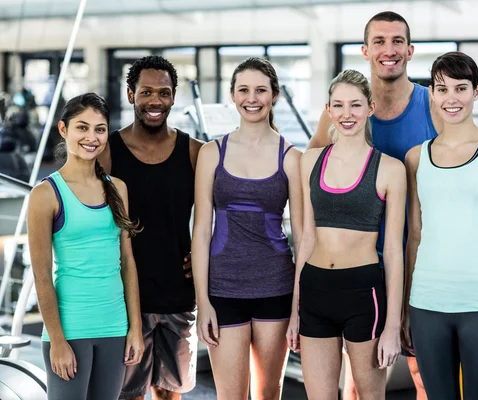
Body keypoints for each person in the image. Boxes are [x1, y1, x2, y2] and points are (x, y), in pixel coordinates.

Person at [308, 11, 440, 399]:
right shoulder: (342, 110)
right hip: (356, 270)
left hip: (415, 263)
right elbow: (314, 176)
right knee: (358, 382)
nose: (389, 50)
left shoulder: (433, 105)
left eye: (397, 41)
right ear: (365, 50)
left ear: (410, 51)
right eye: (379, 42)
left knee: (426, 378)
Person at [403, 51, 478, 400]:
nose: (451, 98)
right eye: (442, 89)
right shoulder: (416, 157)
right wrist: (406, 307)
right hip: (426, 302)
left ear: (477, 91)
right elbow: (415, 235)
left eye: (461, 88)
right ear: (432, 94)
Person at [287, 69, 405, 399]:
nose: (346, 114)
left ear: (370, 108)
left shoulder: (390, 169)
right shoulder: (309, 161)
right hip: (314, 290)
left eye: (355, 105)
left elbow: (393, 250)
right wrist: (296, 308)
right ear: (328, 110)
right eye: (338, 106)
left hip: (363, 294)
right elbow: (307, 237)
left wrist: (393, 325)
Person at [192, 57, 302, 399]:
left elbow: (302, 235)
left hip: (275, 287)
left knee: (269, 393)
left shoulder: (291, 157)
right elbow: (200, 232)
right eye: (243, 90)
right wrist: (202, 302)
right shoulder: (212, 153)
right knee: (231, 395)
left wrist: (298, 305)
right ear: (232, 95)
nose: (251, 98)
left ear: (274, 96)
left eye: (260, 90)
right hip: (223, 291)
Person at [97, 55, 203, 400]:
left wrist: (205, 257)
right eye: (146, 92)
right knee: (129, 393)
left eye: (164, 92)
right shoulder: (107, 152)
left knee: (171, 393)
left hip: (179, 292)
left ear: (174, 97)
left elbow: (225, 209)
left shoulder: (193, 151)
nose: (155, 101)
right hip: (127, 295)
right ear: (131, 95)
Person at [27, 93, 144, 400]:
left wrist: (135, 328)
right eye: (82, 127)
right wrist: (57, 341)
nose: (91, 137)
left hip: (115, 326)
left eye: (100, 129)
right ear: (64, 130)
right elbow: (41, 276)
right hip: (71, 327)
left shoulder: (118, 188)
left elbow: (127, 263)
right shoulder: (45, 194)